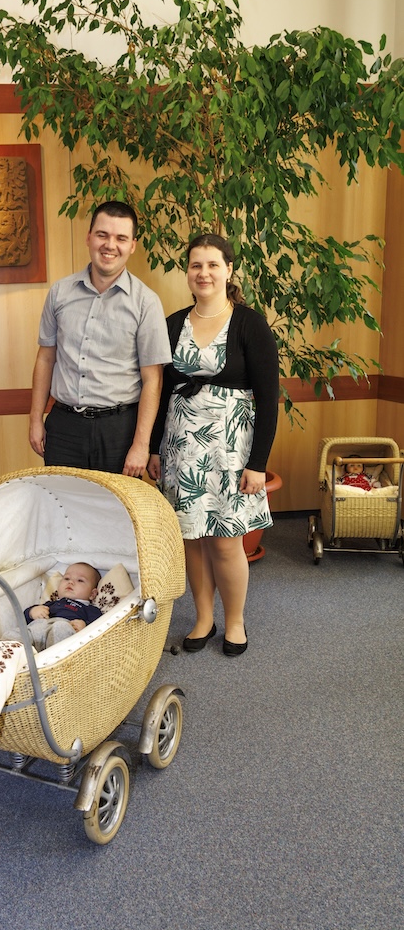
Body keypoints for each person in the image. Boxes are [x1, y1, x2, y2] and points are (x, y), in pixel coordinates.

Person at [148, 234, 279, 657]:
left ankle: (235, 621)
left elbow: (268, 399)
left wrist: (258, 463)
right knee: (192, 539)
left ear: (228, 270)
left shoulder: (249, 323)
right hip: (182, 449)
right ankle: (203, 618)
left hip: (230, 452)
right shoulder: (172, 324)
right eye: (195, 265)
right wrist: (154, 449)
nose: (203, 273)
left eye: (212, 265)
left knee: (224, 541)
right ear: (187, 272)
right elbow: (160, 394)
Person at [29, 201, 171, 477]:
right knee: (62, 502)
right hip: (64, 427)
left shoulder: (146, 303)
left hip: (119, 431)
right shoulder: (60, 293)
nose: (110, 245)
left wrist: (141, 445)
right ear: (89, 237)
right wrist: (35, 419)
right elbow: (45, 359)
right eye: (102, 235)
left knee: (117, 505)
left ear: (132, 245)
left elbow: (153, 380)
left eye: (121, 238)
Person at [12, 562, 102, 651]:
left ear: (92, 594)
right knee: (17, 632)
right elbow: (23, 620)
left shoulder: (90, 609)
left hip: (63, 629)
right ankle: (11, 651)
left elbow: (100, 627)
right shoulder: (51, 603)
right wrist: (32, 612)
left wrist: (85, 626)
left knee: (61, 627)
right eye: (66, 578)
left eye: (80, 580)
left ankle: (53, 657)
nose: (70, 582)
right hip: (39, 628)